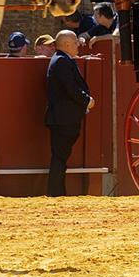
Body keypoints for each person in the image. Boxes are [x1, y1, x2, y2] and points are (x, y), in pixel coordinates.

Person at [45, 29, 94, 197]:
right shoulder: (61, 61)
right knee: (59, 158)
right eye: (74, 42)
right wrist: (87, 100)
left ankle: (58, 193)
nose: (78, 44)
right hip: (63, 119)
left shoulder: (62, 60)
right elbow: (71, 88)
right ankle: (56, 194)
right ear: (66, 44)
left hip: (63, 117)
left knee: (60, 158)